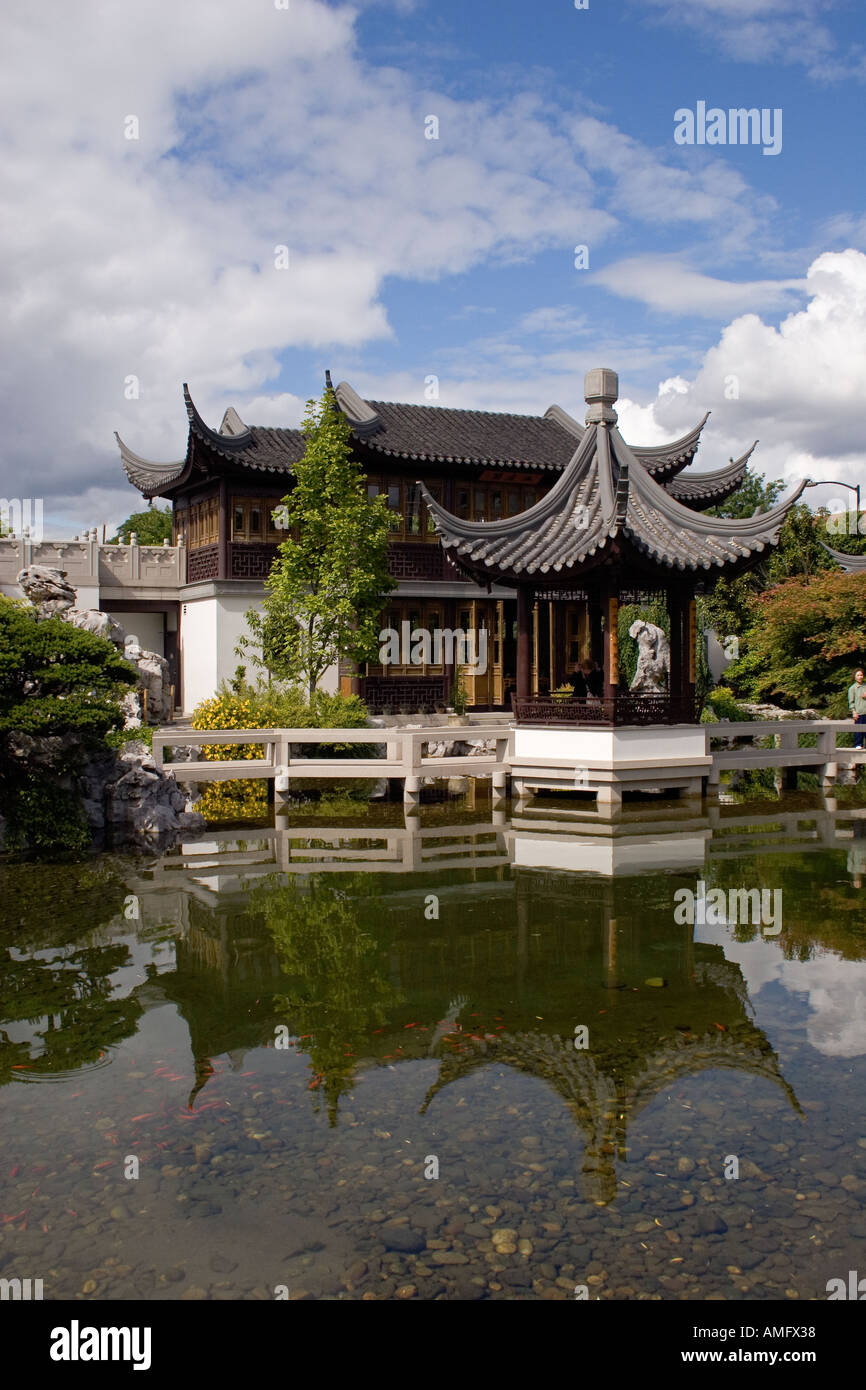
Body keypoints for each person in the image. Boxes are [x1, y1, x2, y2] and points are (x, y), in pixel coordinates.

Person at [849, 668, 866, 749]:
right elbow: (851, 702)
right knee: (859, 731)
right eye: (858, 675)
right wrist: (854, 712)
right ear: (855, 677)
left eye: (861, 675)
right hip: (859, 713)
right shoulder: (852, 688)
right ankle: (858, 744)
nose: (860, 677)